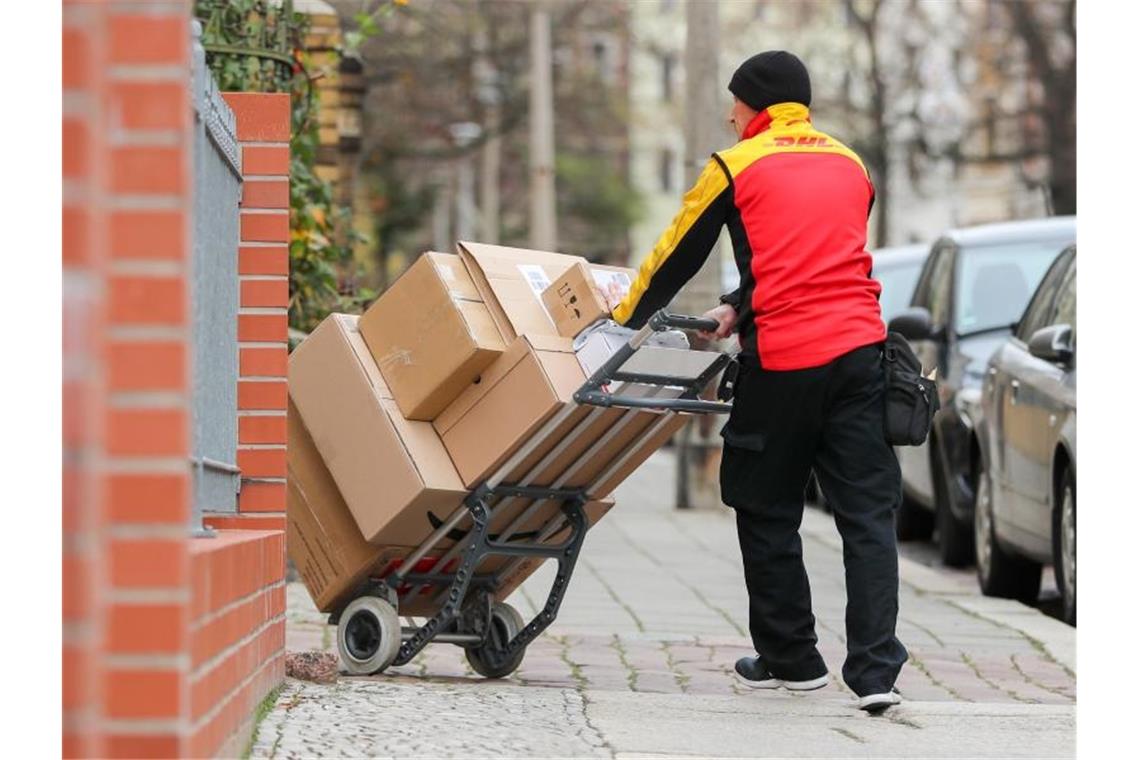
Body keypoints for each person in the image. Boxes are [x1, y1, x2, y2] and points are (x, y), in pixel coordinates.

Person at [610, 50, 907, 713]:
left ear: (755, 107)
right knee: (868, 514)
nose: (728, 113)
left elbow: (674, 252)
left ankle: (792, 657)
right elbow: (816, 255)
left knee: (766, 505)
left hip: (787, 360)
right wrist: (739, 304)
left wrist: (619, 319)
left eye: (735, 102)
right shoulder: (851, 164)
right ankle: (877, 672)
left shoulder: (734, 165)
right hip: (862, 355)